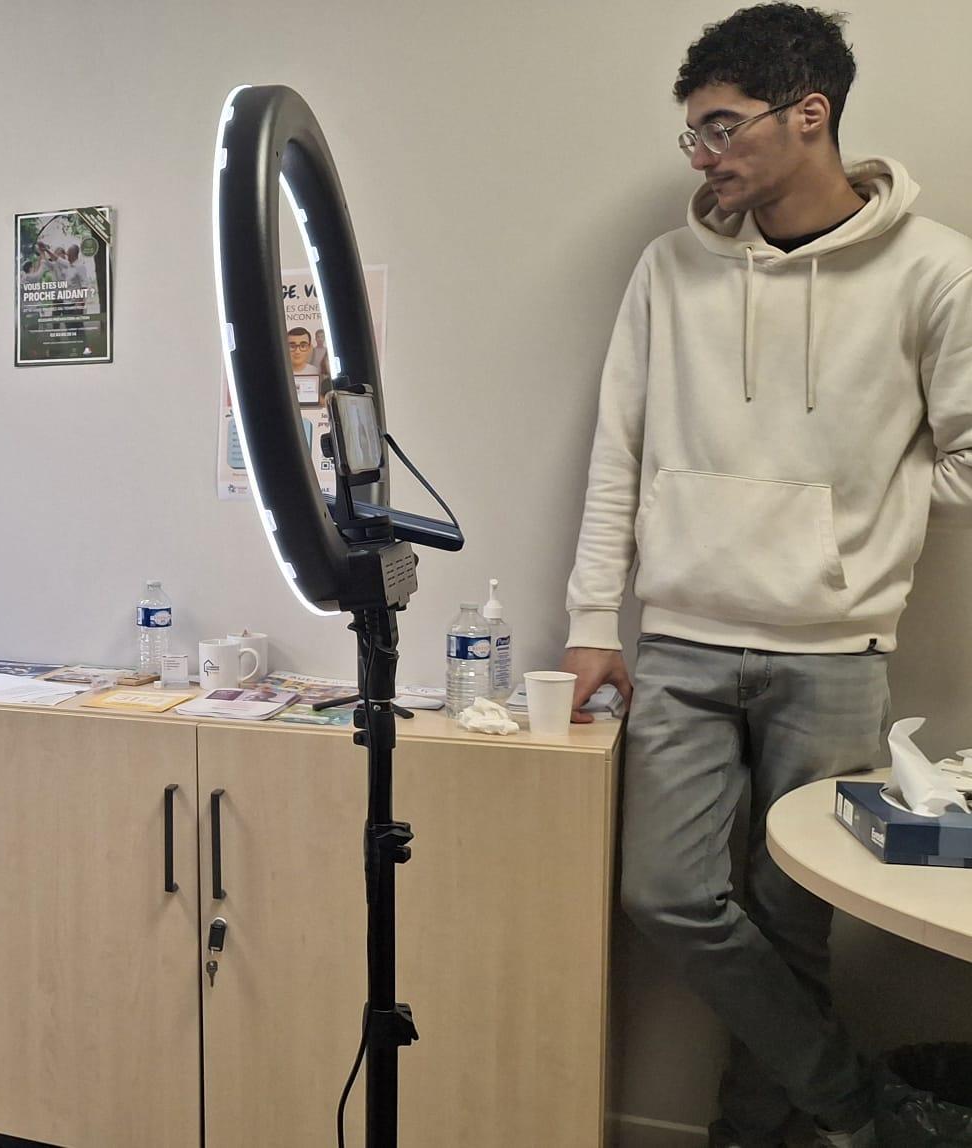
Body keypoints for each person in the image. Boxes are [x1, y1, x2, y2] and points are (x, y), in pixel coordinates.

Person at [558, 7, 972, 1147]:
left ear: (810, 114)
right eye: (692, 133)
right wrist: (593, 617)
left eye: (722, 126)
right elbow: (617, 452)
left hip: (836, 653)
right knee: (664, 893)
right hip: (681, 641)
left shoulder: (936, 269)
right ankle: (852, 1103)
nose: (702, 155)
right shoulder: (668, 268)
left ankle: (756, 1135)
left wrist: (855, 516)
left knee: (797, 927)